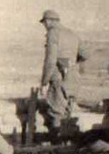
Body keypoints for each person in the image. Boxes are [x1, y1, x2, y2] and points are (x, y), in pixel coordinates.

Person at [38, 9, 89, 138]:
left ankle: (56, 143)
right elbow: (85, 54)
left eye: (44, 22)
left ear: (48, 21)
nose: (44, 26)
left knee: (56, 113)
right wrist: (71, 63)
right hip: (73, 79)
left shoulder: (53, 33)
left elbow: (50, 60)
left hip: (59, 78)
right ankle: (66, 142)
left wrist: (44, 82)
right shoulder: (72, 33)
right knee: (67, 113)